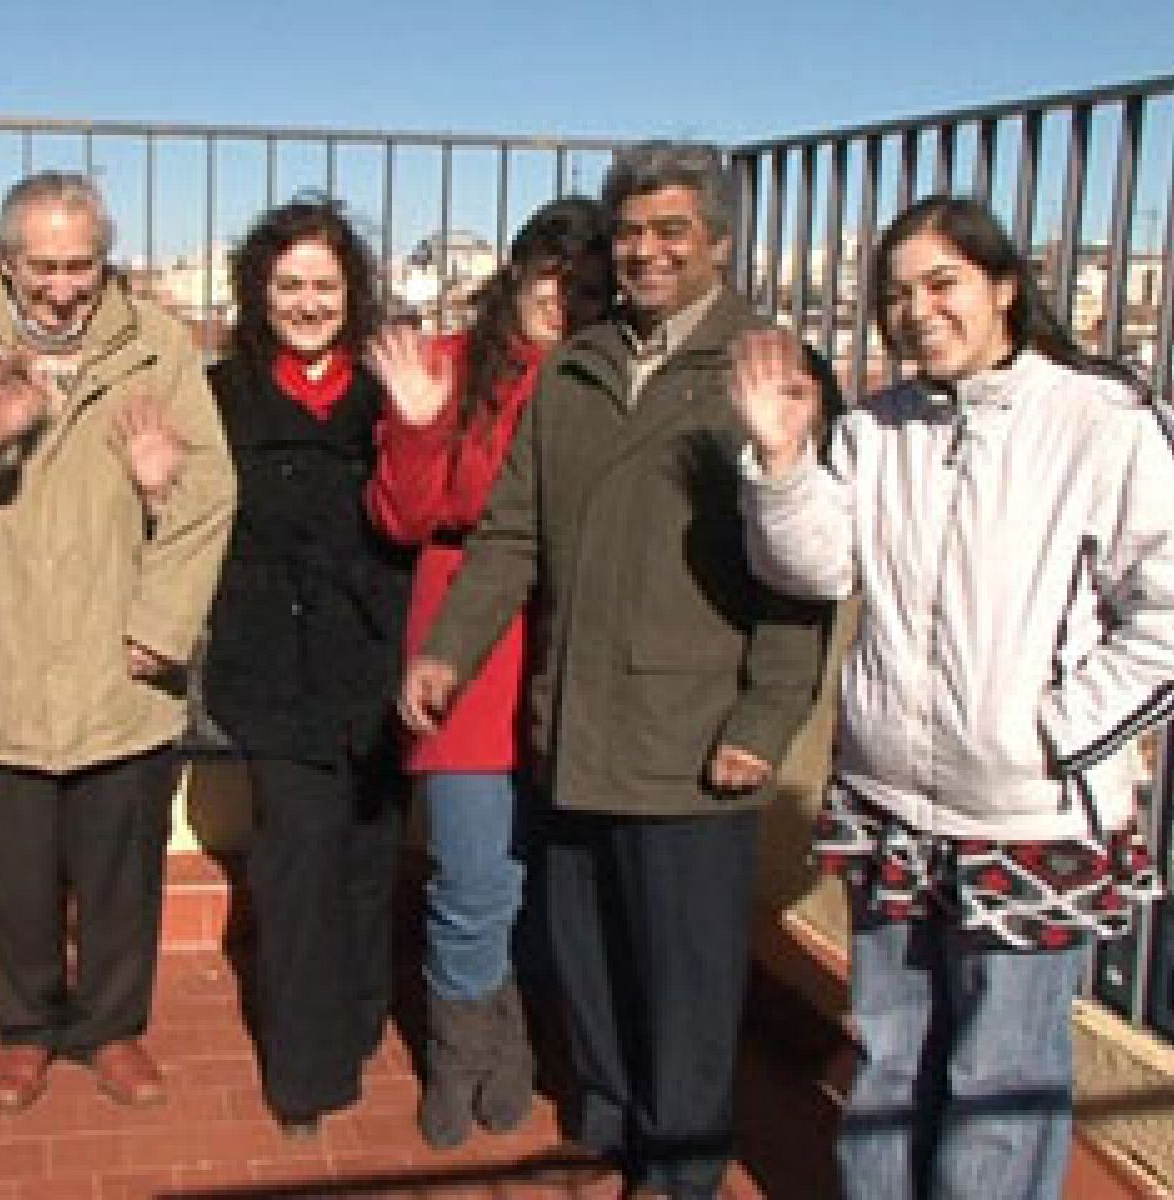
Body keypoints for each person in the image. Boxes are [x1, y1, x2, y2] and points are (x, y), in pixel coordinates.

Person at [731, 194, 1174, 1200]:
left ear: (1004, 287)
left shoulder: (1103, 420)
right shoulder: (877, 428)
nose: (916, 310)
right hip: (888, 803)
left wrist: (1054, 729)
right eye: (895, 293)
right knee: (887, 1057)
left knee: (997, 1078)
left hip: (1027, 815)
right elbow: (812, 569)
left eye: (941, 283)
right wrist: (784, 461)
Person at [400, 142, 833, 1199]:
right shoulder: (579, 368)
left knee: (684, 977)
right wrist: (448, 651)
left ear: (719, 244)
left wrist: (766, 716)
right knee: (588, 952)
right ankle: (614, 1119)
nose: (644, 250)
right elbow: (510, 536)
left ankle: (679, 1167)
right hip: (577, 721)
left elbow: (800, 569)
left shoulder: (764, 372)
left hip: (695, 736)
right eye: (630, 231)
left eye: (670, 230)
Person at [0, 172, 236, 1114]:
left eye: (83, 265)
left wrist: (160, 625)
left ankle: (112, 1028)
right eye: (45, 268)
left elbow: (211, 498)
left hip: (123, 666)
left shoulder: (156, 345)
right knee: (7, 876)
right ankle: (25, 1030)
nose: (66, 287)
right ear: (6, 258)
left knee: (122, 876)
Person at [364, 195, 613, 1149]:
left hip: (570, 646)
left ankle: (507, 1035)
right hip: (464, 639)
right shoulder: (451, 370)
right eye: (555, 276)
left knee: (542, 876)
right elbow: (405, 517)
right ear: (518, 274)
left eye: (590, 284)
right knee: (471, 874)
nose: (569, 298)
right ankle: (462, 1048)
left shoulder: (604, 379)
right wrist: (421, 426)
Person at [200, 198, 413, 1138]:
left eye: (325, 285)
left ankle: (362, 1018)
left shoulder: (386, 389)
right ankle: (306, 1071)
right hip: (272, 664)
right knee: (298, 865)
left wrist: (420, 425)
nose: (308, 302)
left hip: (376, 662)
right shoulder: (221, 393)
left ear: (353, 292)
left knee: (369, 855)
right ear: (260, 291)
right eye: (289, 285)